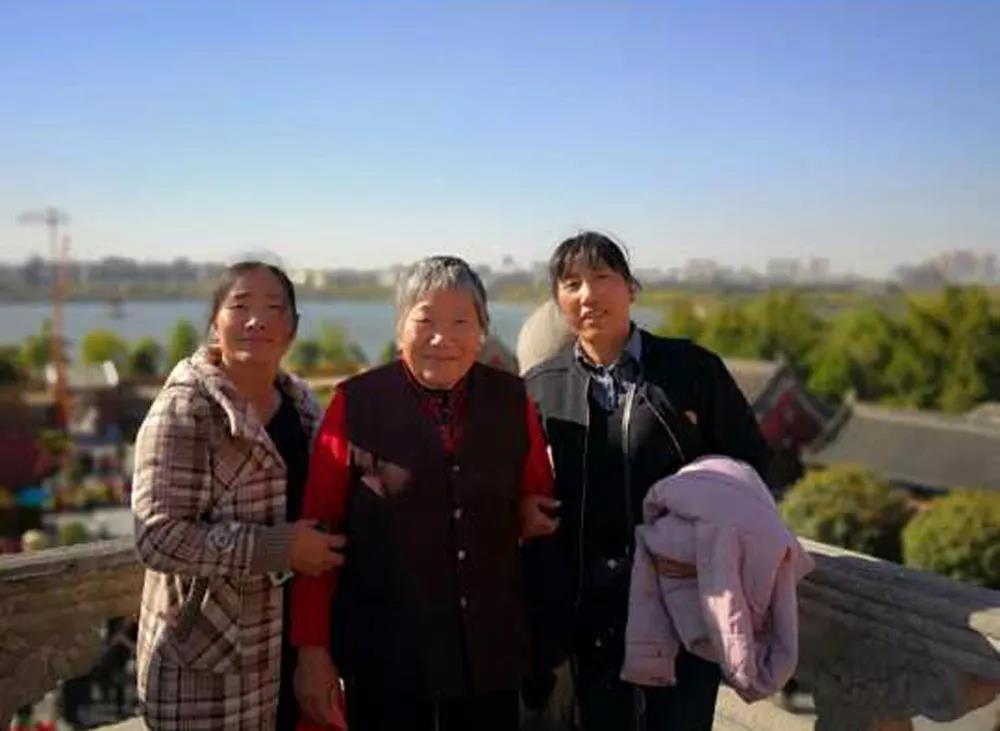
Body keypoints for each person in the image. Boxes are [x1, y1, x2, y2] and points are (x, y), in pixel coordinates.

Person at [291, 255, 558, 731]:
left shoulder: (512, 400)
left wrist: (520, 512)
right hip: (386, 661)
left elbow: (537, 500)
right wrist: (313, 652)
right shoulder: (355, 403)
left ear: (482, 330)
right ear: (401, 327)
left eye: (461, 322)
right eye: (426, 320)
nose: (442, 337)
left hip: (490, 657)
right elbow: (318, 536)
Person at [524, 232, 769, 731]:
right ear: (557, 301)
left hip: (683, 597)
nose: (588, 294)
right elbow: (523, 479)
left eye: (602, 277)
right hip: (589, 608)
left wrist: (701, 532)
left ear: (631, 288)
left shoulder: (691, 370)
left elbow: (751, 468)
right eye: (571, 284)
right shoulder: (542, 387)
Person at [131, 261, 346, 730]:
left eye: (273, 308)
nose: (256, 321)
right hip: (205, 671)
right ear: (215, 322)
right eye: (240, 306)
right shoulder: (186, 409)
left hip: (287, 654)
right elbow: (158, 537)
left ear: (292, 328)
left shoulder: (303, 406)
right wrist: (279, 548)